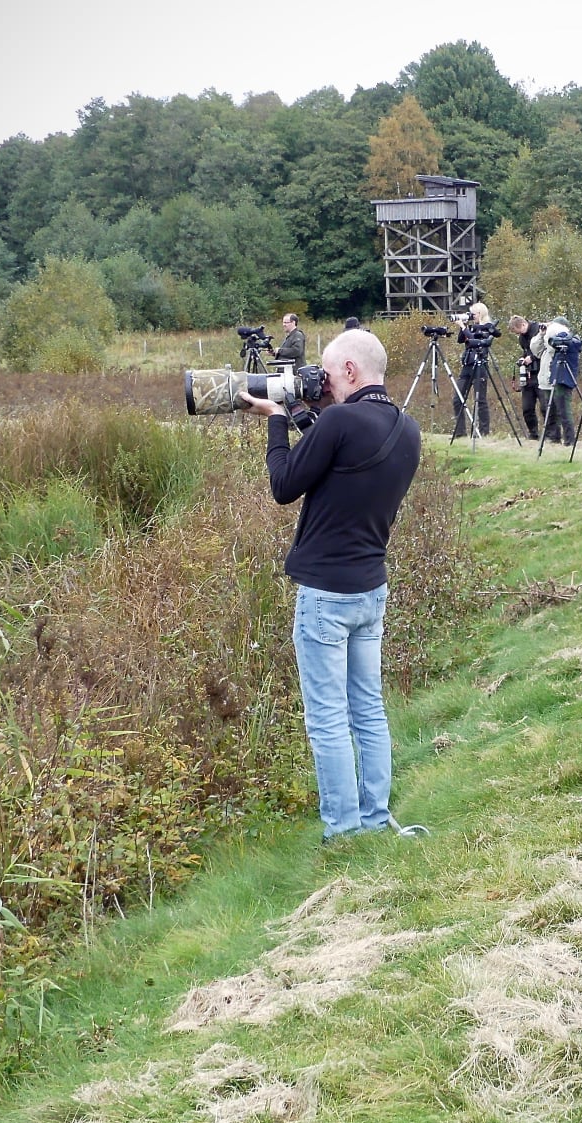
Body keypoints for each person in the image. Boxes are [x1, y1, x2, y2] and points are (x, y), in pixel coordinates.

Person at [237, 329, 421, 843]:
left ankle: (342, 833)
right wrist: (307, 415)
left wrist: (276, 422)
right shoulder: (407, 429)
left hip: (326, 597)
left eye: (325, 369)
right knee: (368, 707)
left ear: (348, 371)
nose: (318, 379)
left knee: (327, 719)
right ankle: (375, 818)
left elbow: (284, 484)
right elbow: (338, 464)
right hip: (370, 589)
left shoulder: (339, 421)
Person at [453, 301, 493, 438]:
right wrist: (462, 326)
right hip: (467, 366)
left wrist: (464, 327)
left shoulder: (487, 327)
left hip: (480, 366)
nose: (471, 316)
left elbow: (475, 341)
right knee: (457, 398)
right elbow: (461, 340)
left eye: (473, 314)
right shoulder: (471, 327)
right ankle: (460, 432)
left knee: (480, 400)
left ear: (480, 313)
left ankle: (484, 432)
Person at [542, 318, 582, 444]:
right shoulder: (566, 341)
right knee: (560, 410)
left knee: (564, 411)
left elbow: (551, 348)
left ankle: (570, 440)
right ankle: (565, 439)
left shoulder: (568, 341)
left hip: (563, 378)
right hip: (559, 377)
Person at [509, 314, 544, 440]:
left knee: (545, 406)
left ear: (523, 325)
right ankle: (533, 434)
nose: (519, 334)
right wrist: (523, 358)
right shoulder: (522, 338)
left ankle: (551, 434)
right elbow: (526, 351)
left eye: (519, 331)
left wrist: (533, 358)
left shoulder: (539, 330)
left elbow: (545, 350)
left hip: (541, 373)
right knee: (527, 408)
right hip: (528, 375)